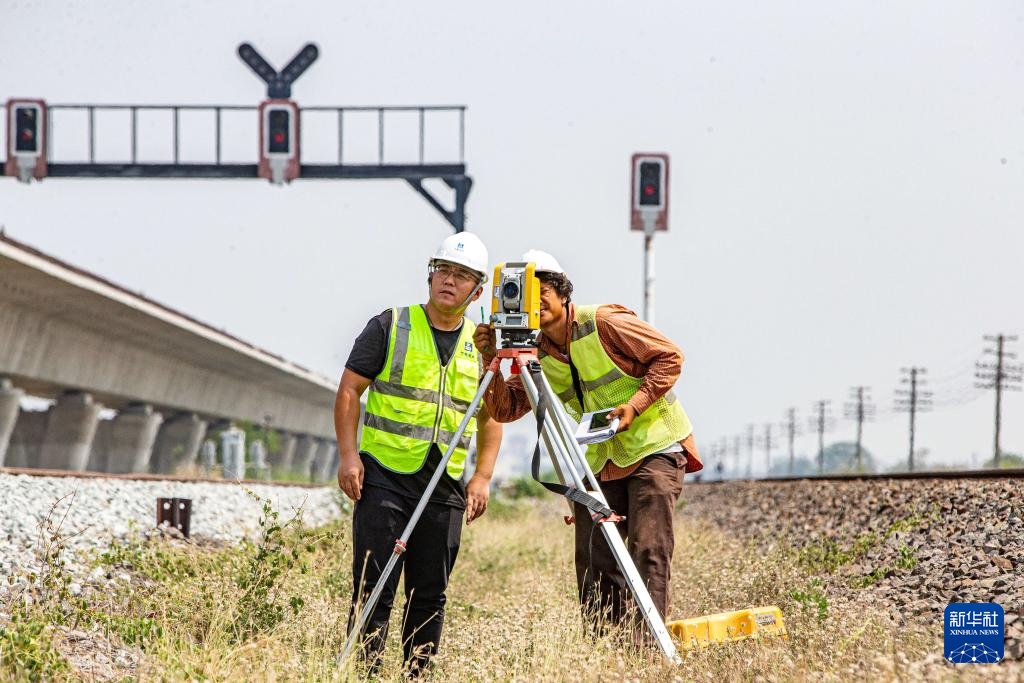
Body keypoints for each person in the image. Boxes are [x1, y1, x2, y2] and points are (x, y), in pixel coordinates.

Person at [473, 249, 701, 631]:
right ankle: (606, 650)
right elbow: (505, 409)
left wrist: (634, 404)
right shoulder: (536, 352)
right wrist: (489, 358)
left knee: (648, 550)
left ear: (563, 293)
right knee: (596, 558)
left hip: (654, 448)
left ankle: (646, 649)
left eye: (541, 289)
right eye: (524, 292)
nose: (534, 300)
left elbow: (670, 357)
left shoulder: (603, 322)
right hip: (600, 463)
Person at [335, 232, 502, 675]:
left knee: (430, 590)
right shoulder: (391, 324)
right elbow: (351, 389)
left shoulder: (484, 345)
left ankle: (418, 673)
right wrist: (349, 455)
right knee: (375, 585)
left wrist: (482, 477)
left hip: (444, 484)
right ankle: (365, 672)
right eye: (444, 271)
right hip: (384, 475)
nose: (450, 281)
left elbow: (492, 416)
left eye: (462, 276)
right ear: (430, 275)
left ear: (478, 291)